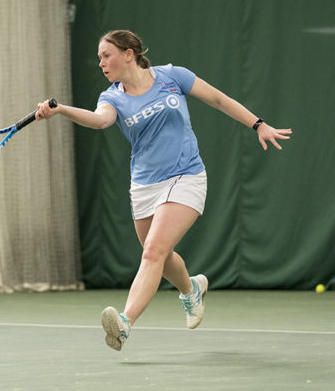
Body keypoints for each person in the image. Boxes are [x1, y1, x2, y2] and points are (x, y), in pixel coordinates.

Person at [35, 30, 292, 351]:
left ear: (129, 53)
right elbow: (100, 121)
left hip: (187, 176)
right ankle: (191, 290)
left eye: (106, 55)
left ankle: (125, 322)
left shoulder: (173, 77)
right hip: (144, 185)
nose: (101, 62)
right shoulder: (111, 97)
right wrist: (62, 110)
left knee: (153, 250)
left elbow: (218, 99)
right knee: (162, 255)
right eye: (99, 57)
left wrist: (258, 124)